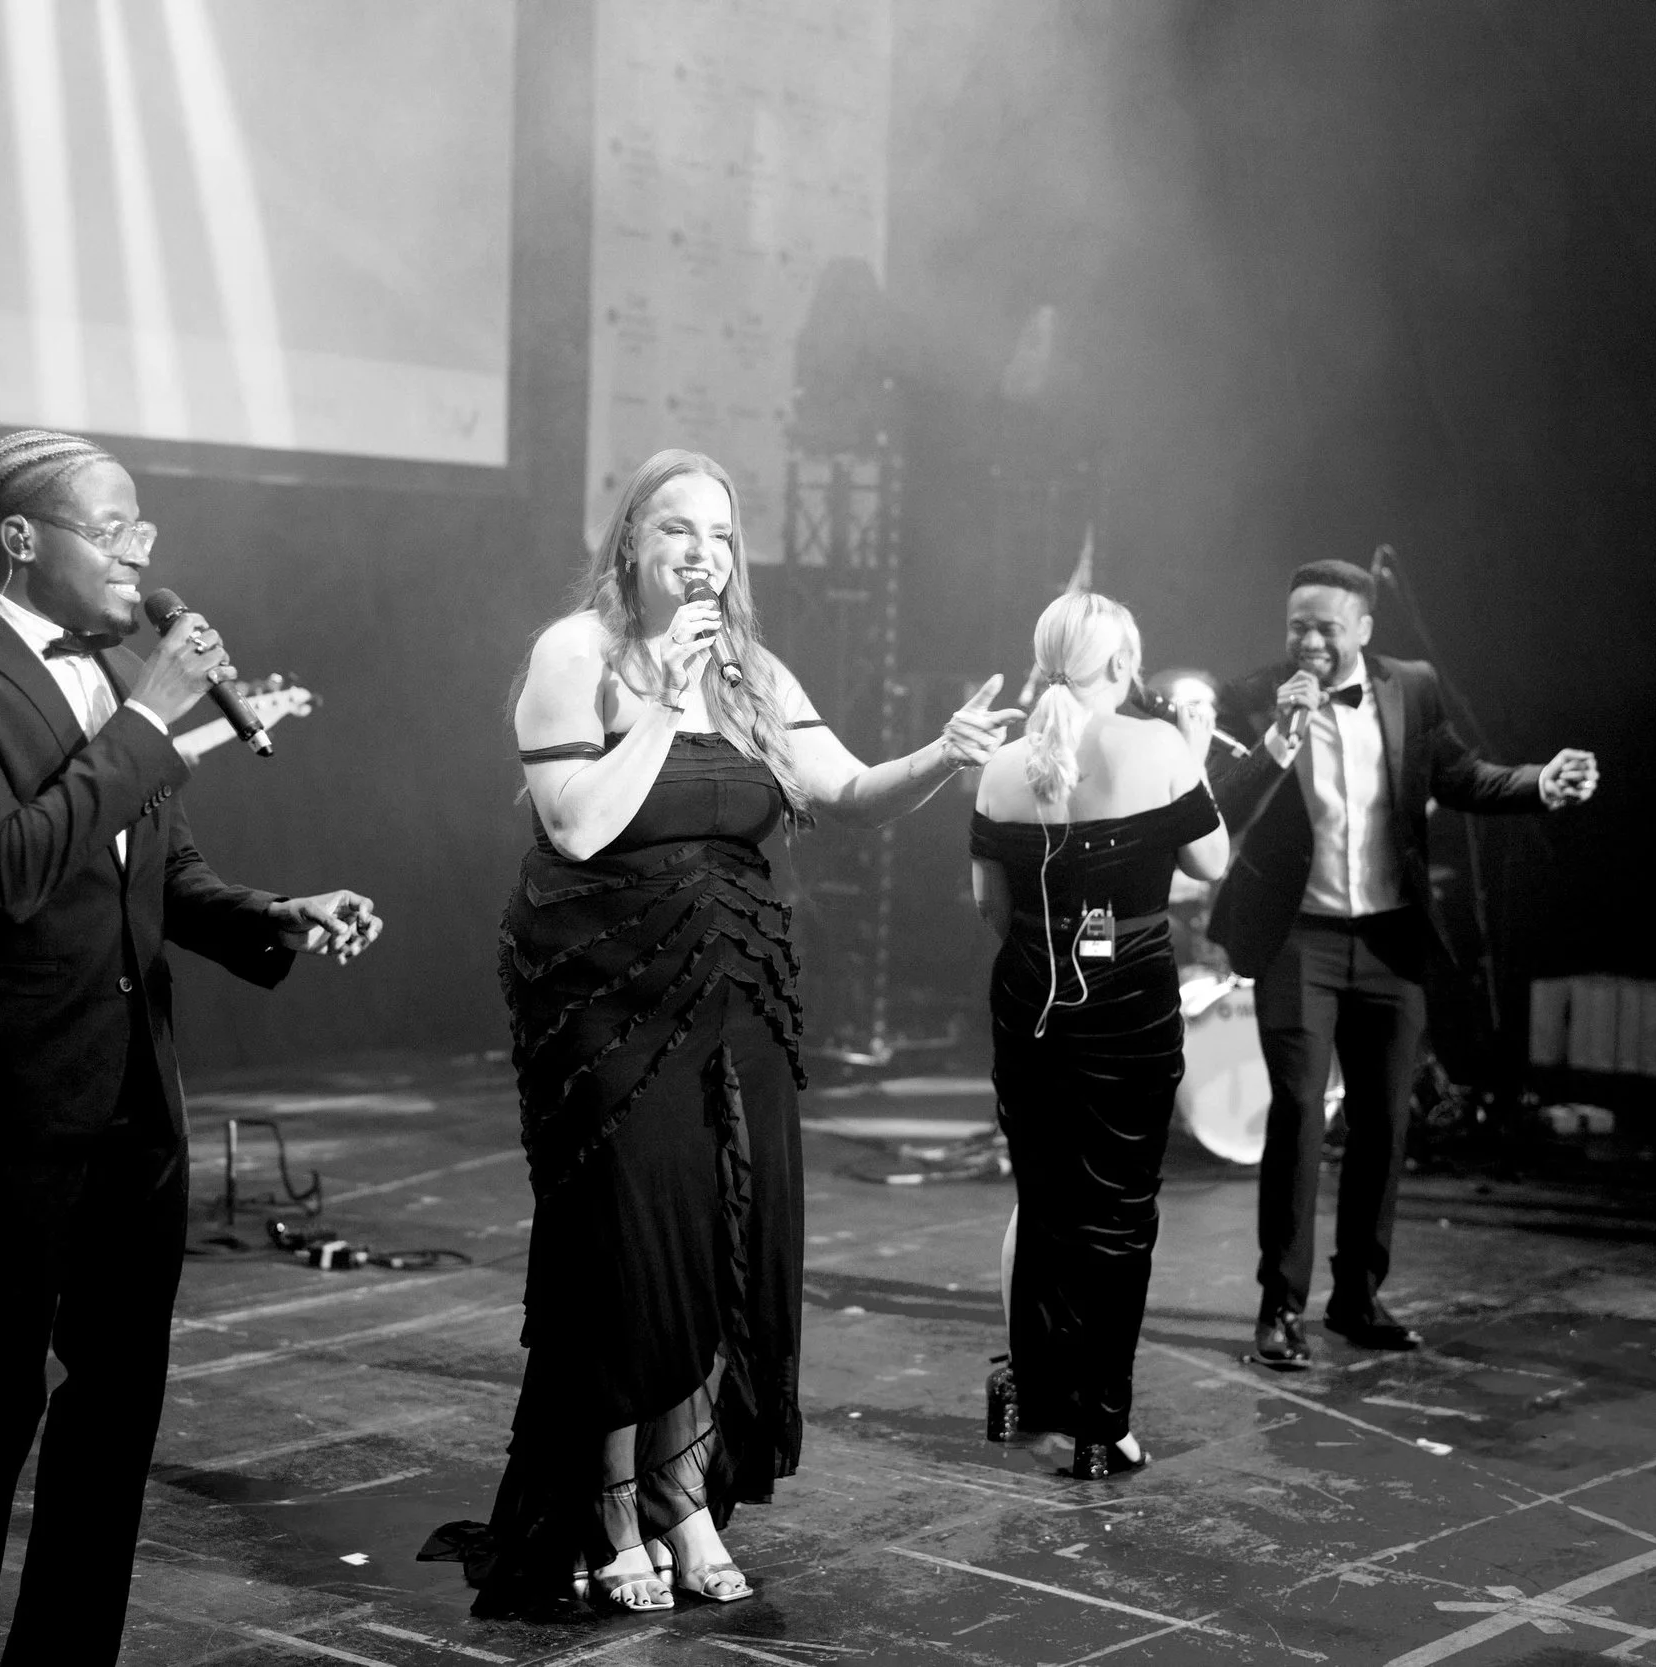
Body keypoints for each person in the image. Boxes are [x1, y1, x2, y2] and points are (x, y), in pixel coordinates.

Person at [423, 448, 1022, 1618]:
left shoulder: (751, 669)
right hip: (606, 997)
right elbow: (577, 825)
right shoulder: (576, 654)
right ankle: (608, 1505)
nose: (703, 553)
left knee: (725, 1247)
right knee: (630, 1253)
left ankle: (683, 1494)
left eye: (720, 534)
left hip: (737, 988)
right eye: (678, 529)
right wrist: (657, 701)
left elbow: (845, 790)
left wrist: (939, 757)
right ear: (630, 541)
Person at [0, 429, 383, 1666]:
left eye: (143, 531)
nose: (140, 556)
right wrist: (152, 714)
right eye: (113, 531)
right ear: (21, 538)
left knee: (117, 1400)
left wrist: (271, 914)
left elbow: (158, 871)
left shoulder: (107, 675)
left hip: (135, 1091)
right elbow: (5, 872)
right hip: (12, 1096)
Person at [1211, 559, 1596, 1367]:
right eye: (1297, 626)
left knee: (1386, 1120)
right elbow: (1222, 804)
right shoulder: (1251, 696)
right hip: (1300, 938)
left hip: (1390, 938)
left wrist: (1539, 783)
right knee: (1299, 1111)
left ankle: (1358, 1295)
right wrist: (1281, 733)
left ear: (1364, 628)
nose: (1309, 641)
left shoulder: (1410, 686)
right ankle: (1280, 1307)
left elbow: (1460, 775)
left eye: (1326, 627)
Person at [968, 595, 1228, 1478]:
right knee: (1117, 1212)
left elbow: (990, 907)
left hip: (1029, 995)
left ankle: (1038, 1397)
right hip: (1126, 1001)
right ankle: (1100, 1424)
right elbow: (1213, 864)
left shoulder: (1002, 766)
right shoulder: (1158, 748)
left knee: (1044, 1199)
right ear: (1122, 666)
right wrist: (1194, 756)